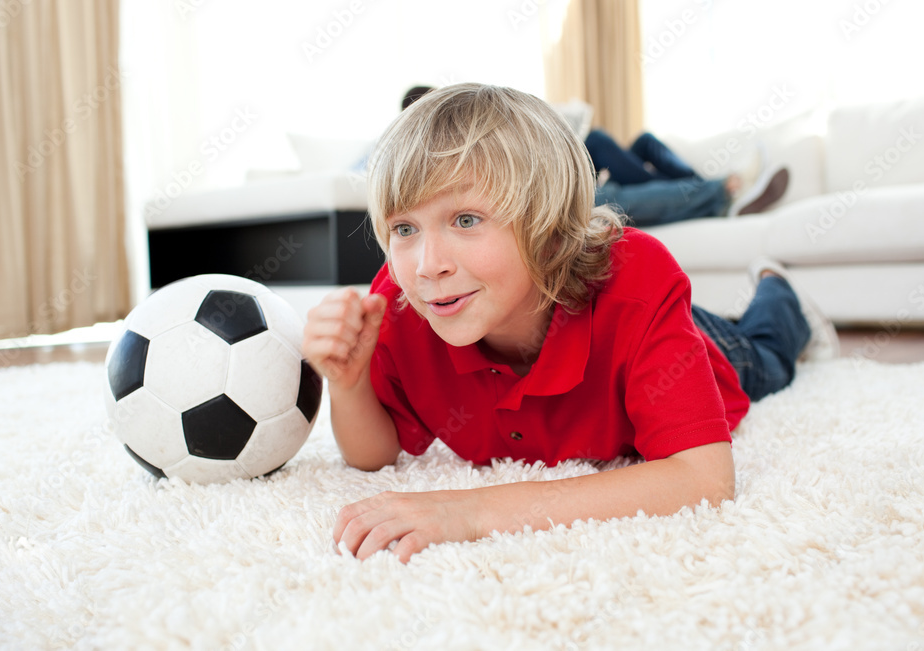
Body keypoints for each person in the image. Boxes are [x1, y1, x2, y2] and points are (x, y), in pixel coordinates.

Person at [303, 83, 837, 563]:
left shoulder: (638, 281)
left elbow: (703, 478)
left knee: (765, 355)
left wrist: (468, 513)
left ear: (552, 230)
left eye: (466, 220)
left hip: (697, 341)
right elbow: (373, 454)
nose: (427, 264)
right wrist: (348, 386)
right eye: (404, 228)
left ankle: (778, 291)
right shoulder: (403, 302)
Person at [585, 128, 791, 226]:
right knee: (609, 197)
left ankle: (703, 190)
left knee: (641, 142)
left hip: (581, 186)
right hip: (582, 205)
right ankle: (725, 192)